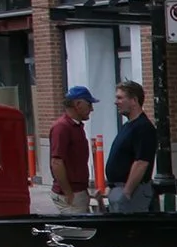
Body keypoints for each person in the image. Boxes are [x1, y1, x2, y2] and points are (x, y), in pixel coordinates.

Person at [105, 80, 157, 214]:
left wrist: (127, 192)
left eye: (120, 98)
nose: (116, 102)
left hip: (134, 192)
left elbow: (141, 162)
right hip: (119, 189)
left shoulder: (143, 127)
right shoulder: (128, 126)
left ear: (134, 100)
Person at [49, 86, 96, 213]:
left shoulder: (76, 126)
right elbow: (56, 162)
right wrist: (68, 192)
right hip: (71, 194)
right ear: (78, 104)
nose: (91, 109)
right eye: (89, 104)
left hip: (78, 191)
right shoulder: (62, 127)